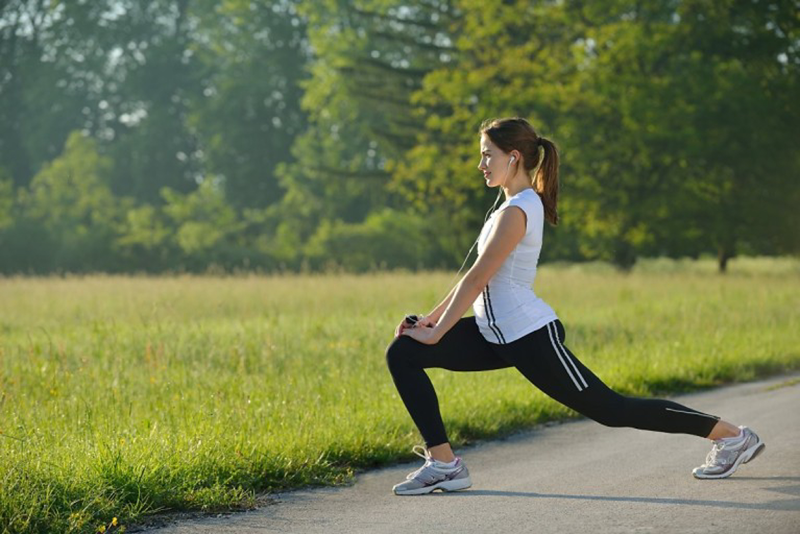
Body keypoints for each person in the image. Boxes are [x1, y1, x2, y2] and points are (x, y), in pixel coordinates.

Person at [384, 117, 765, 496]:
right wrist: (429, 322)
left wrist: (437, 332)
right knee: (403, 352)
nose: (481, 164)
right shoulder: (507, 209)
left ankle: (732, 436)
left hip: (530, 336)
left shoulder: (519, 210)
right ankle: (445, 464)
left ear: (513, 157)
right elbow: (472, 276)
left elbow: (478, 278)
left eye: (487, 155)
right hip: (494, 334)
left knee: (613, 410)